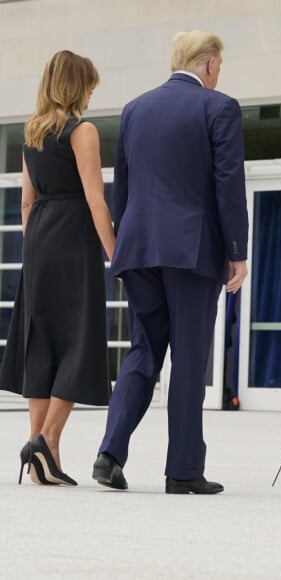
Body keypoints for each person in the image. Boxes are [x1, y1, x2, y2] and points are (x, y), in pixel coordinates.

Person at [91, 29, 248, 494]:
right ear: (210, 63)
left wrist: (125, 242)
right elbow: (228, 185)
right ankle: (182, 471)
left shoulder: (135, 108)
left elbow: (124, 183)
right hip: (191, 251)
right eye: (220, 64)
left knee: (143, 351)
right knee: (188, 357)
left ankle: (109, 454)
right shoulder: (219, 108)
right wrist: (237, 252)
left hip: (137, 248)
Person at [0, 50, 115, 486]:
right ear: (77, 85)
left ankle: (39, 462)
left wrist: (36, 249)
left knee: (41, 343)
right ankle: (46, 439)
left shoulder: (31, 134)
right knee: (78, 339)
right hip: (72, 238)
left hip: (40, 240)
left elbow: (26, 203)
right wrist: (115, 254)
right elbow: (95, 198)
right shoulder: (81, 131)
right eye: (88, 85)